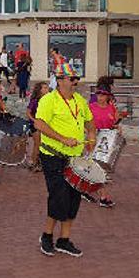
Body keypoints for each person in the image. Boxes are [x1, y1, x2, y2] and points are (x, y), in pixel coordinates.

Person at [34, 64, 95, 258]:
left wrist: (92, 135)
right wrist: (62, 139)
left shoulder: (79, 100)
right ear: (60, 81)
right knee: (59, 196)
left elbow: (89, 121)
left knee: (73, 198)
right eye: (72, 79)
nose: (76, 82)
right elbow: (39, 124)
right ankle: (47, 236)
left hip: (74, 158)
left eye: (76, 78)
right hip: (53, 156)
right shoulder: (48, 100)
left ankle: (64, 240)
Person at [89, 86, 121, 207]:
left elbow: (115, 123)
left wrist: (118, 127)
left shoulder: (111, 107)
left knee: (99, 168)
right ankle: (103, 196)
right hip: (94, 140)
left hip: (107, 141)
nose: (100, 97)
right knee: (97, 169)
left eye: (103, 95)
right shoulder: (91, 107)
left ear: (108, 96)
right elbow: (84, 123)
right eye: (98, 94)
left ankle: (85, 189)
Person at [26, 82, 49, 172]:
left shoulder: (48, 100)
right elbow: (28, 112)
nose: (47, 90)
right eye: (45, 88)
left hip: (44, 125)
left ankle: (39, 162)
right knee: (37, 144)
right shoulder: (35, 101)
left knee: (43, 144)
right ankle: (33, 162)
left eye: (47, 88)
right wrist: (34, 120)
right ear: (39, 90)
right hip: (35, 125)